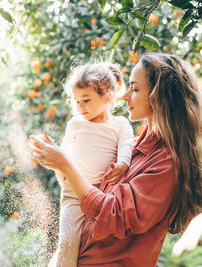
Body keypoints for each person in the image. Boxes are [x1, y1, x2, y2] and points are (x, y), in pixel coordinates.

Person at [30, 53, 202, 266]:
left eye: (135, 89)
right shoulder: (135, 146)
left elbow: (113, 215)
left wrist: (65, 164)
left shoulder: (165, 162)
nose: (124, 96)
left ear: (160, 97)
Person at [47, 62, 134, 266]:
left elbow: (126, 145)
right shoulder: (75, 124)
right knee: (68, 243)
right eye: (77, 101)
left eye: (86, 100)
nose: (80, 106)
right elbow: (64, 156)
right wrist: (51, 152)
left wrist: (122, 164)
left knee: (93, 246)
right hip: (73, 194)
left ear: (108, 96)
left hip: (103, 195)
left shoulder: (119, 124)